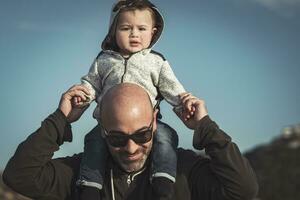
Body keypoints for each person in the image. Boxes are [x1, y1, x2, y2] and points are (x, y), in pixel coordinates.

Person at [3, 83, 258, 200]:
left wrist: (206, 128)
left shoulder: (185, 170)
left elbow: (244, 190)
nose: (131, 148)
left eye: (142, 134)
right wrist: (60, 120)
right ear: (102, 130)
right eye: (117, 138)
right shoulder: (83, 174)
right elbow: (19, 176)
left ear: (155, 123)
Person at [75, 0, 189, 194]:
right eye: (126, 28)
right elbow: (92, 83)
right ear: (113, 31)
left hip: (145, 124)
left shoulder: (156, 61)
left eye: (141, 29)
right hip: (110, 125)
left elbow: (172, 87)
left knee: (166, 136)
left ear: (153, 32)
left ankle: (163, 177)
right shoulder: (104, 60)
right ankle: (90, 185)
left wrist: (184, 101)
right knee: (94, 142)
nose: (134, 34)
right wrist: (83, 94)